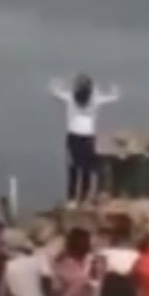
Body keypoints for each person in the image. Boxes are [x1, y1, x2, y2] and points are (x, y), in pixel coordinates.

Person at [50, 74, 120, 207]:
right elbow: (114, 97)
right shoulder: (95, 100)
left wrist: (57, 83)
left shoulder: (71, 98)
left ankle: (72, 200)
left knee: (73, 169)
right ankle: (82, 199)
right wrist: (113, 89)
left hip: (74, 137)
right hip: (88, 137)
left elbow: (54, 93)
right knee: (86, 169)